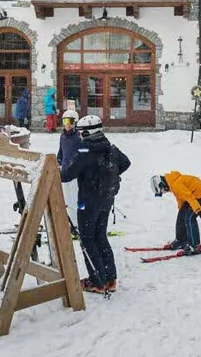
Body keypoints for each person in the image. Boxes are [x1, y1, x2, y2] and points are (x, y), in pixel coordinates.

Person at [60, 115, 131, 294]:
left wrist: (55, 168)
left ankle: (97, 281)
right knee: (100, 236)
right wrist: (109, 174)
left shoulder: (85, 151)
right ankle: (110, 279)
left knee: (87, 239)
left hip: (87, 203)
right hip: (107, 199)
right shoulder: (111, 148)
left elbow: (67, 175)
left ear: (86, 132)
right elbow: (125, 162)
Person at [150, 172, 201, 254]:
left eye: (162, 191)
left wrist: (199, 211)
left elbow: (189, 197)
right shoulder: (172, 184)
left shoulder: (176, 184)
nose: (164, 193)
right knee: (182, 216)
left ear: (162, 185)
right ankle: (180, 240)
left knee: (190, 218)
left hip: (200, 194)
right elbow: (180, 198)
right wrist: (181, 211)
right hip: (192, 195)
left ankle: (195, 245)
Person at [56, 109, 82, 233]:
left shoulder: (79, 137)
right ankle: (70, 223)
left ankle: (78, 223)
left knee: (76, 198)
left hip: (76, 173)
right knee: (67, 199)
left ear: (75, 122)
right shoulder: (62, 136)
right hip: (65, 172)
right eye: (65, 121)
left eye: (70, 121)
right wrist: (57, 162)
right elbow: (61, 152)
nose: (67, 124)